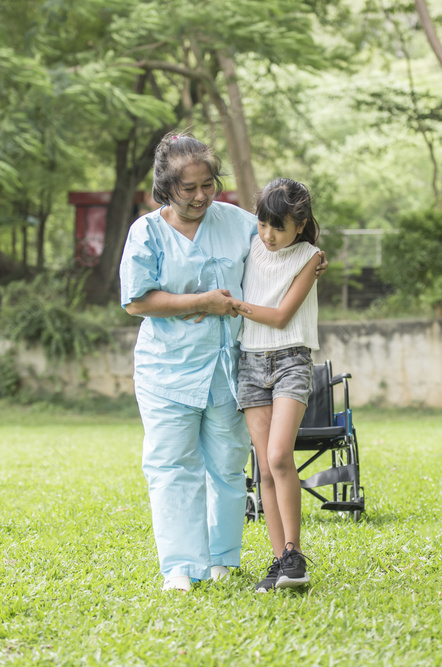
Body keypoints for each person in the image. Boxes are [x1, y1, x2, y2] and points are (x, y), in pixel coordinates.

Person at [119, 133, 325, 593]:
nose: (200, 196)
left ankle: (223, 558)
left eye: (208, 184)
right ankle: (178, 566)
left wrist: (312, 256)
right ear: (165, 187)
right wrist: (204, 302)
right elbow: (136, 301)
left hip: (231, 368)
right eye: (188, 188)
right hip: (167, 368)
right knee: (172, 464)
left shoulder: (237, 222)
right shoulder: (146, 232)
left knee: (228, 464)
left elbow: (282, 237)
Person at [234, 178, 322, 592]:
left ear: (300, 226)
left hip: (291, 360)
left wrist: (232, 305)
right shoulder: (250, 245)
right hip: (249, 362)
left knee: (280, 455)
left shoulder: (310, 257)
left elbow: (282, 315)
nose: (268, 235)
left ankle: (294, 554)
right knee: (265, 467)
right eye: (263, 224)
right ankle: (279, 562)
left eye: (279, 227)